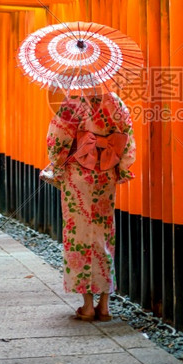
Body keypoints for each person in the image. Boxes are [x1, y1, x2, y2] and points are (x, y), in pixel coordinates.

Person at [44, 87, 135, 321]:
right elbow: (126, 137)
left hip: (78, 175)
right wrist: (122, 167)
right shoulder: (115, 102)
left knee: (79, 233)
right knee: (104, 233)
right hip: (105, 173)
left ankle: (86, 305)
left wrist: (57, 162)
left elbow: (57, 138)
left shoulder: (73, 101)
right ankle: (104, 306)